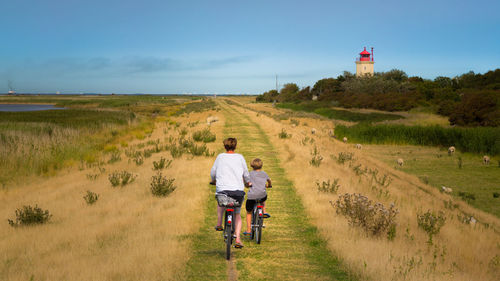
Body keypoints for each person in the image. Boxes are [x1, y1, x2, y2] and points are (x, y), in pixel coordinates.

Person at [210, 137, 251, 249]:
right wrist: (247, 182)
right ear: (235, 146)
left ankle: (219, 224)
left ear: (224, 146)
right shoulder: (240, 157)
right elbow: (246, 173)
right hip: (237, 191)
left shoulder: (220, 157)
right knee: (237, 214)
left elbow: (213, 171)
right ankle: (237, 239)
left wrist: (213, 180)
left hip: (223, 189)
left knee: (221, 203)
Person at [243, 158, 272, 237]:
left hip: (251, 197)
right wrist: (269, 185)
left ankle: (249, 230)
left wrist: (247, 185)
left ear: (252, 165)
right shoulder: (264, 173)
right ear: (261, 165)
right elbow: (269, 180)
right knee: (263, 196)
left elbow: (246, 183)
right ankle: (264, 211)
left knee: (249, 212)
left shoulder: (250, 174)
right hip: (262, 195)